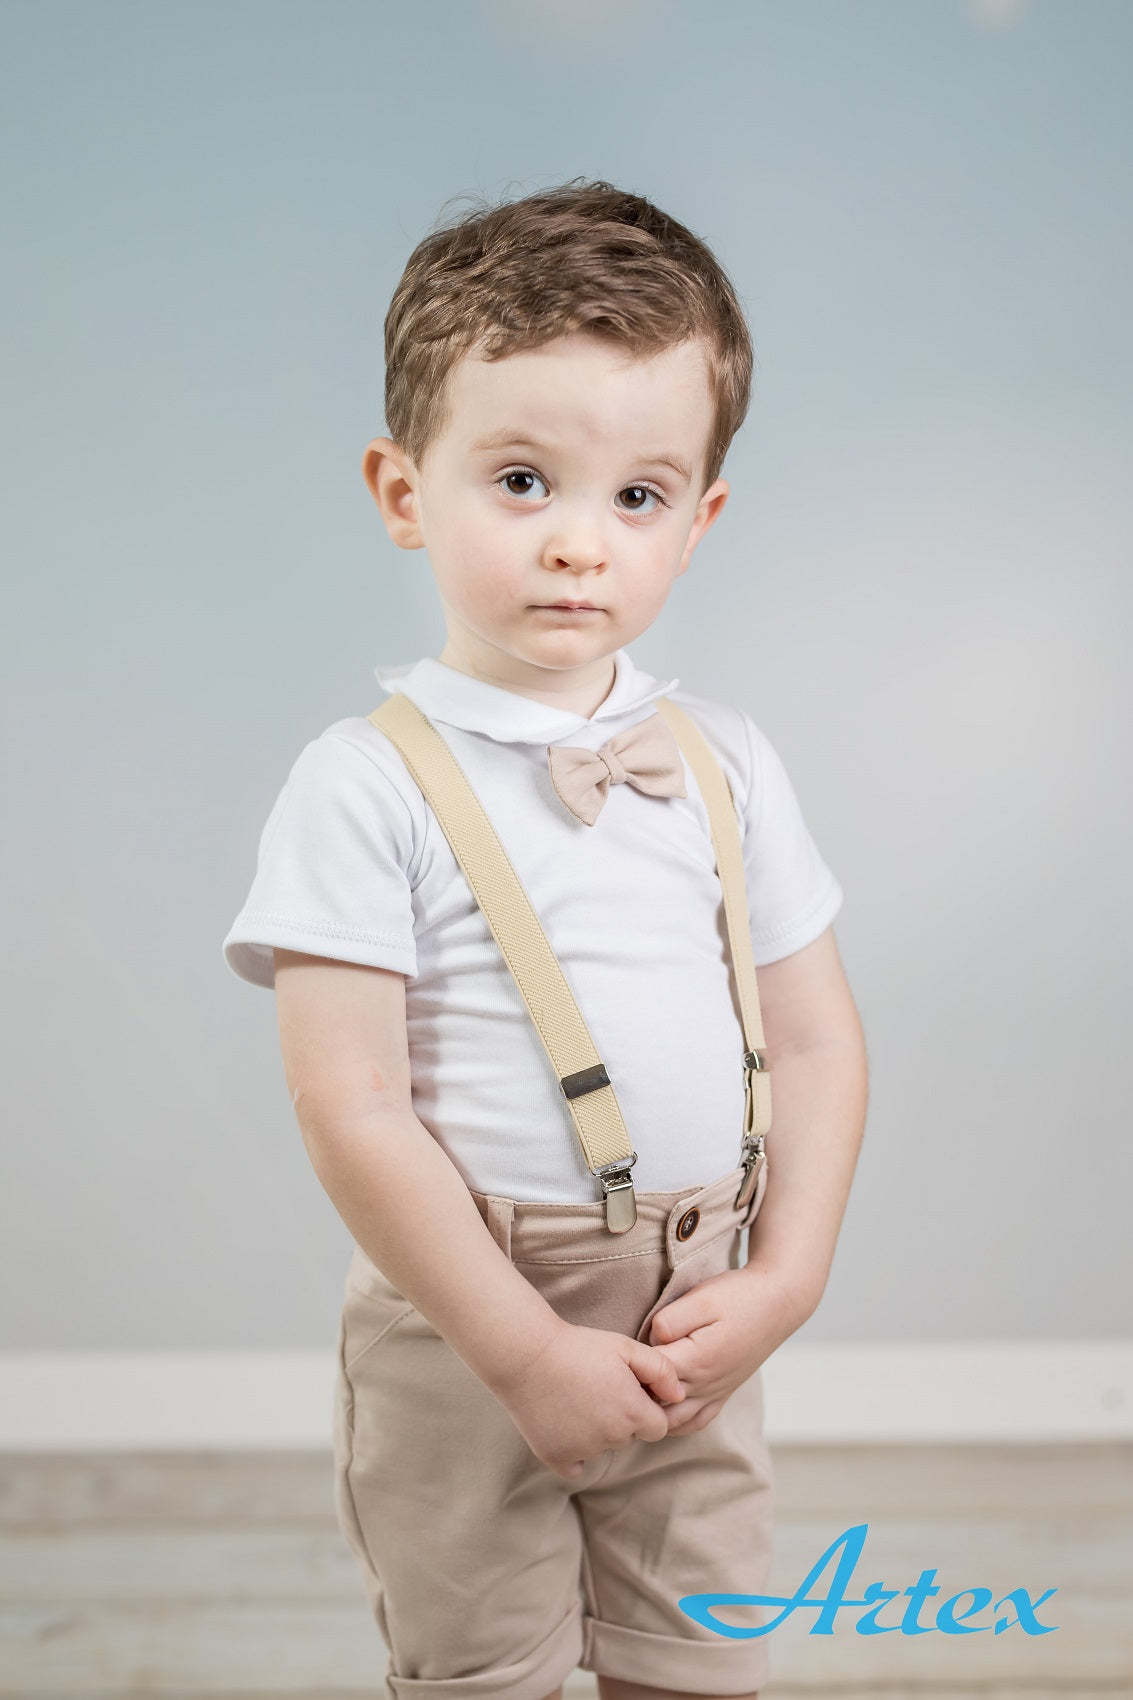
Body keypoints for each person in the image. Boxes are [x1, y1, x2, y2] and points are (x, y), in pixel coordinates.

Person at [222, 178, 869, 1700]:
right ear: (402, 491)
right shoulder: (361, 782)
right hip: (471, 1321)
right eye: (522, 481)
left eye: (635, 497)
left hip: (696, 1297)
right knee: (482, 1671)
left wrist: (788, 1277)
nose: (581, 544)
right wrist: (518, 1350)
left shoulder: (728, 760)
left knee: (701, 1663)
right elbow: (350, 1104)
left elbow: (819, 1033)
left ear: (697, 521)